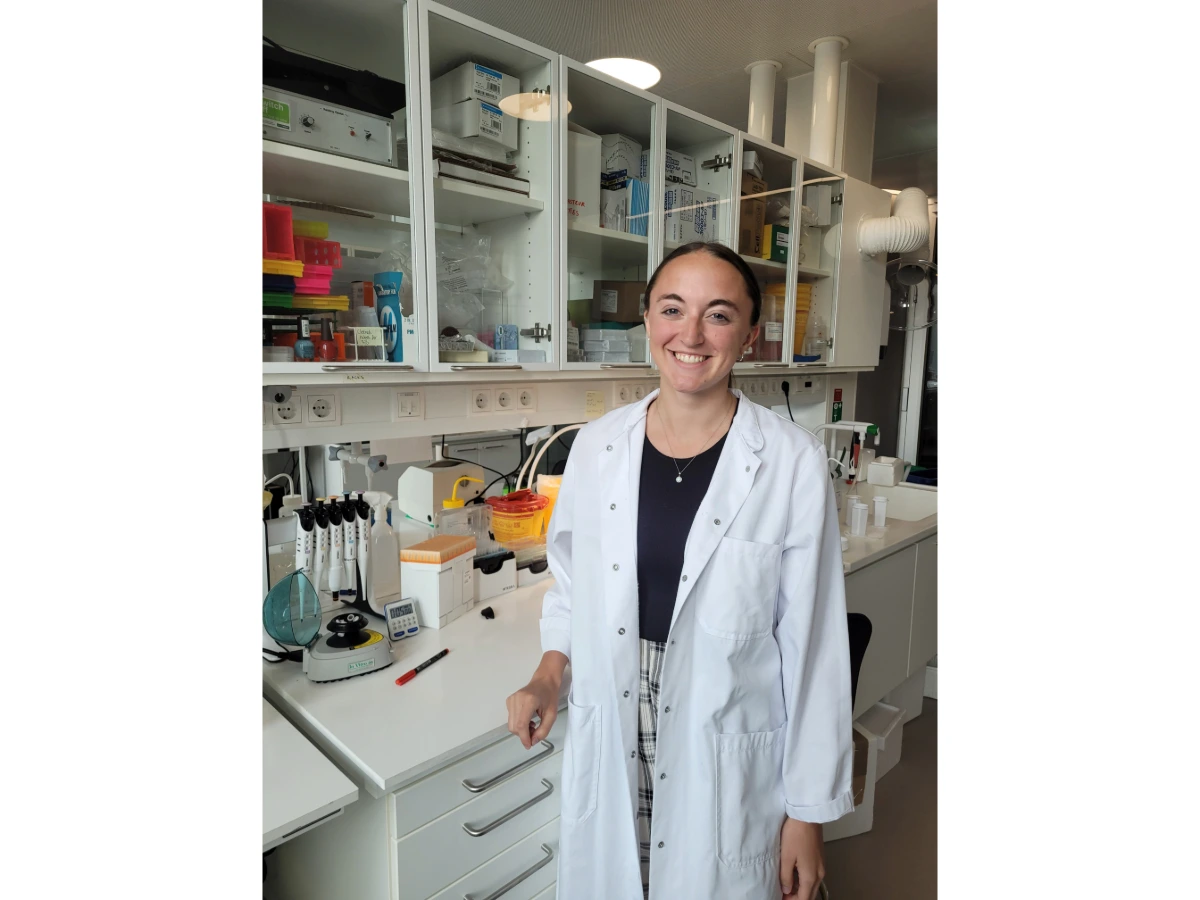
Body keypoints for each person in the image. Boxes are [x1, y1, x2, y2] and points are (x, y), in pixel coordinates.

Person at [506, 241, 852, 900]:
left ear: (749, 337)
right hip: (615, 715)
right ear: (646, 320)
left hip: (720, 729)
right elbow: (574, 585)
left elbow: (814, 651)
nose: (691, 335)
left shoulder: (791, 463)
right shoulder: (597, 446)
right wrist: (550, 674)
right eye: (673, 309)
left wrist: (806, 814)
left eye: (718, 316)